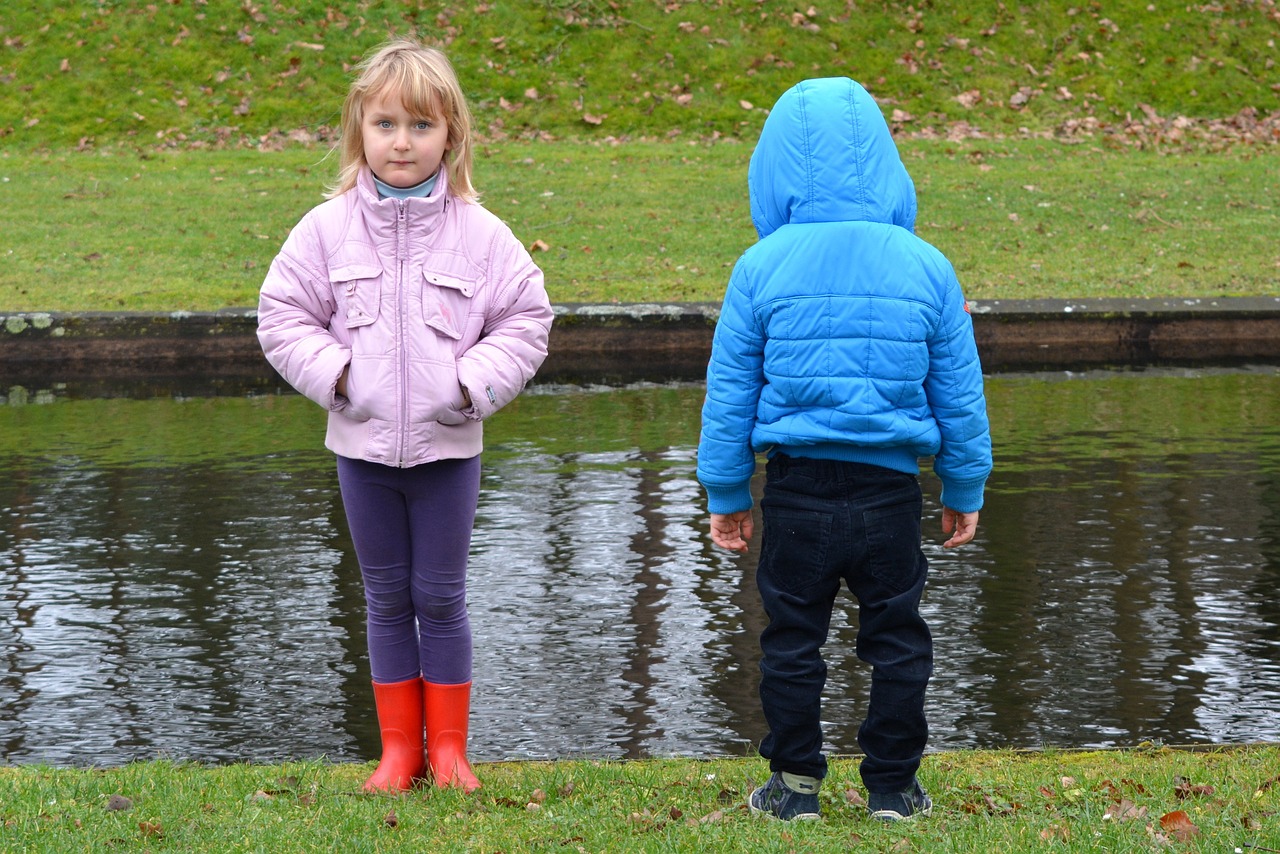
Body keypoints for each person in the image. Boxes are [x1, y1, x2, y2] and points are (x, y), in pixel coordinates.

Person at [256, 38, 553, 794]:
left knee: (442, 597)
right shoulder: (323, 230)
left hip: (449, 453)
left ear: (451, 134)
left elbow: (526, 318)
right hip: (361, 452)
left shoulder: (481, 234)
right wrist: (341, 375)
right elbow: (283, 315)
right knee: (386, 596)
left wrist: (469, 387)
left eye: (421, 126)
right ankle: (398, 753)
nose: (402, 142)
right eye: (386, 124)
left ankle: (449, 751)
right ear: (360, 129)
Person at [697, 77, 992, 822]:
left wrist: (728, 492)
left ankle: (794, 786)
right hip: (890, 492)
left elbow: (730, 392)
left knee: (792, 639)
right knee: (897, 638)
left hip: (795, 489)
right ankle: (893, 787)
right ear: (887, 162)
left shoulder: (758, 267)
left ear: (774, 169)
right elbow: (958, 391)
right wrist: (964, 484)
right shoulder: (927, 265)